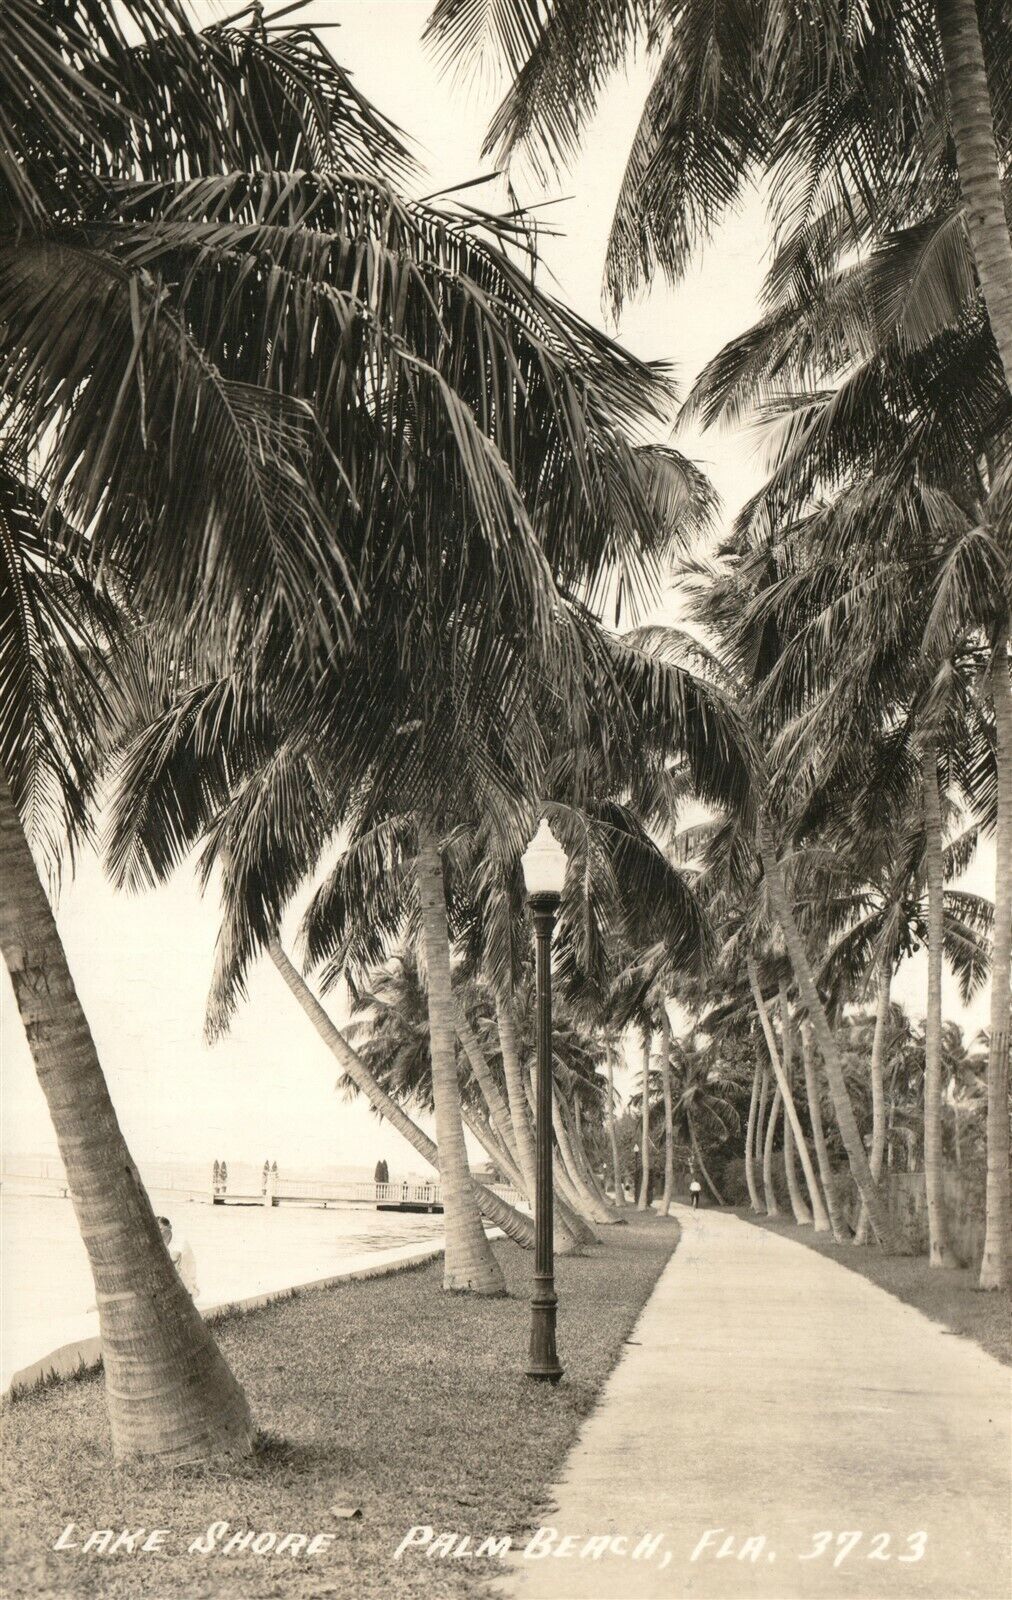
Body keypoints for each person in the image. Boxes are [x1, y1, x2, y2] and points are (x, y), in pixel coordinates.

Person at [157, 1215, 199, 1299]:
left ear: (167, 1227)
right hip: (182, 1276)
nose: (160, 1233)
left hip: (186, 1281)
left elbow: (175, 1257)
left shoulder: (175, 1237)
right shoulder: (169, 1238)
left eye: (161, 1229)